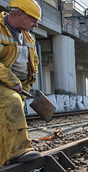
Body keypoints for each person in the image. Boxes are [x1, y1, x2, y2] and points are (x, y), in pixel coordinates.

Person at [0, 0, 42, 166]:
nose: (36, 24)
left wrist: (26, 84)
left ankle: (5, 158)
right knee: (12, 102)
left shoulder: (27, 36)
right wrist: (11, 81)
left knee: (6, 120)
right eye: (33, 19)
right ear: (18, 13)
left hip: (19, 86)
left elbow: (35, 62)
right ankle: (19, 150)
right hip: (5, 83)